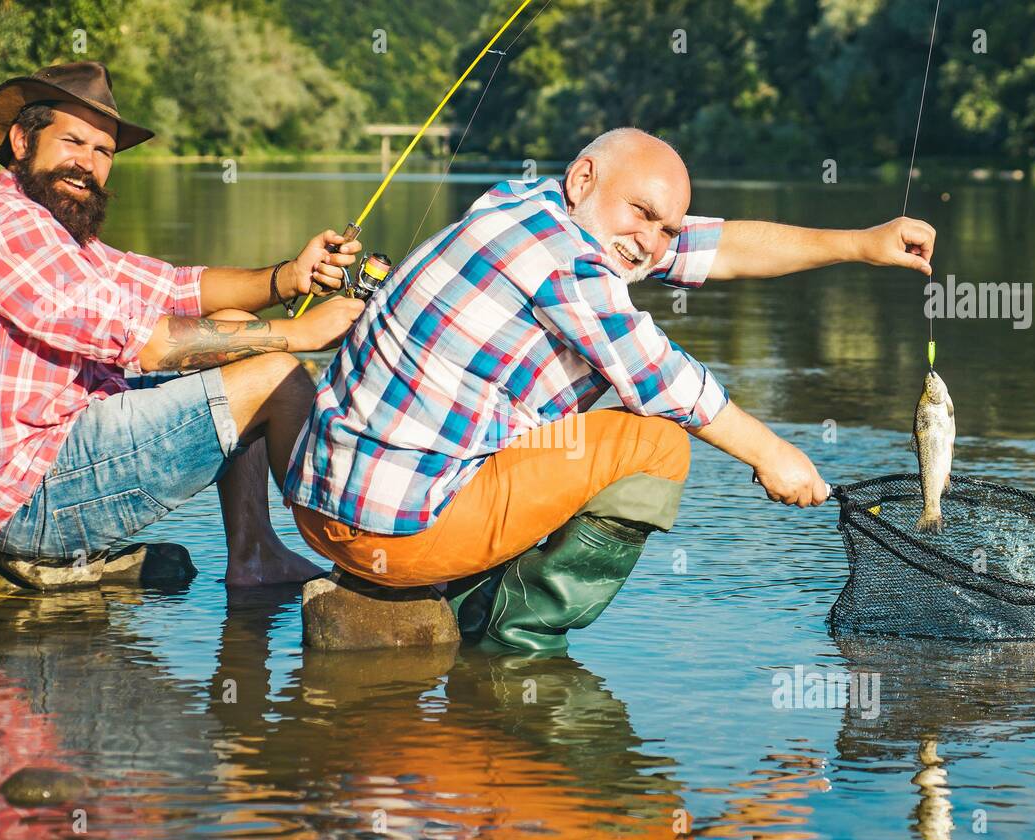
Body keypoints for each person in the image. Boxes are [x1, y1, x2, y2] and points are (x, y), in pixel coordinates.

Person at [284, 128, 936, 652]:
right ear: (584, 180)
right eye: (643, 214)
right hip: (394, 528)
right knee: (655, 442)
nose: (652, 242)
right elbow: (663, 377)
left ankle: (453, 589)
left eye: (667, 229)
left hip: (322, 501)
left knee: (593, 414)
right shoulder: (566, 263)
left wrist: (860, 244)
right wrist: (775, 454)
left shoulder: (521, 202)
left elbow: (720, 247)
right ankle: (510, 636)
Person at [0, 61, 364, 585]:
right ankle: (365, 570)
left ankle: (255, 556)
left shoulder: (48, 228)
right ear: (21, 140)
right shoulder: (5, 228)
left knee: (240, 334)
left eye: (102, 151)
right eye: (73, 142)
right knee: (276, 379)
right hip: (18, 504)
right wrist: (302, 334)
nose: (87, 164)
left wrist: (286, 278)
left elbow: (174, 288)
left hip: (46, 462)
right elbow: (149, 344)